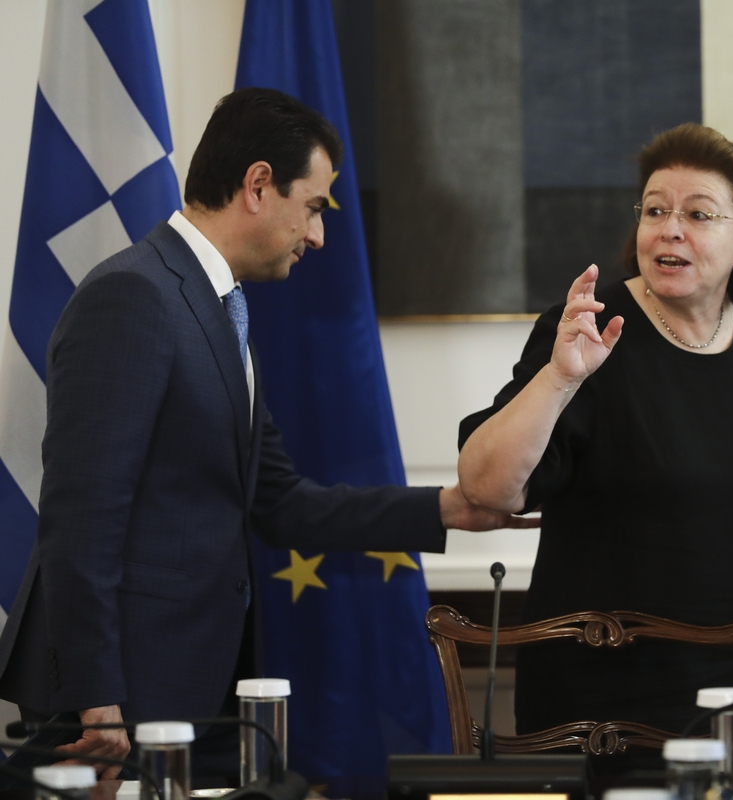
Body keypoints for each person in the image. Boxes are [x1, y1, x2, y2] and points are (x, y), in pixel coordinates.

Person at [0, 88, 531, 779]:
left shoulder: (217, 307)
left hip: (191, 684)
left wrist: (449, 508)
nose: (318, 235)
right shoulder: (133, 296)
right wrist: (96, 698)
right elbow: (82, 515)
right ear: (257, 185)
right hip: (118, 698)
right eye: (313, 207)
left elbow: (279, 501)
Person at [457, 122, 733, 775]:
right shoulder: (587, 328)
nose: (670, 229)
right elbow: (487, 486)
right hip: (605, 704)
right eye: (656, 210)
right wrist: (559, 378)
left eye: (698, 214)